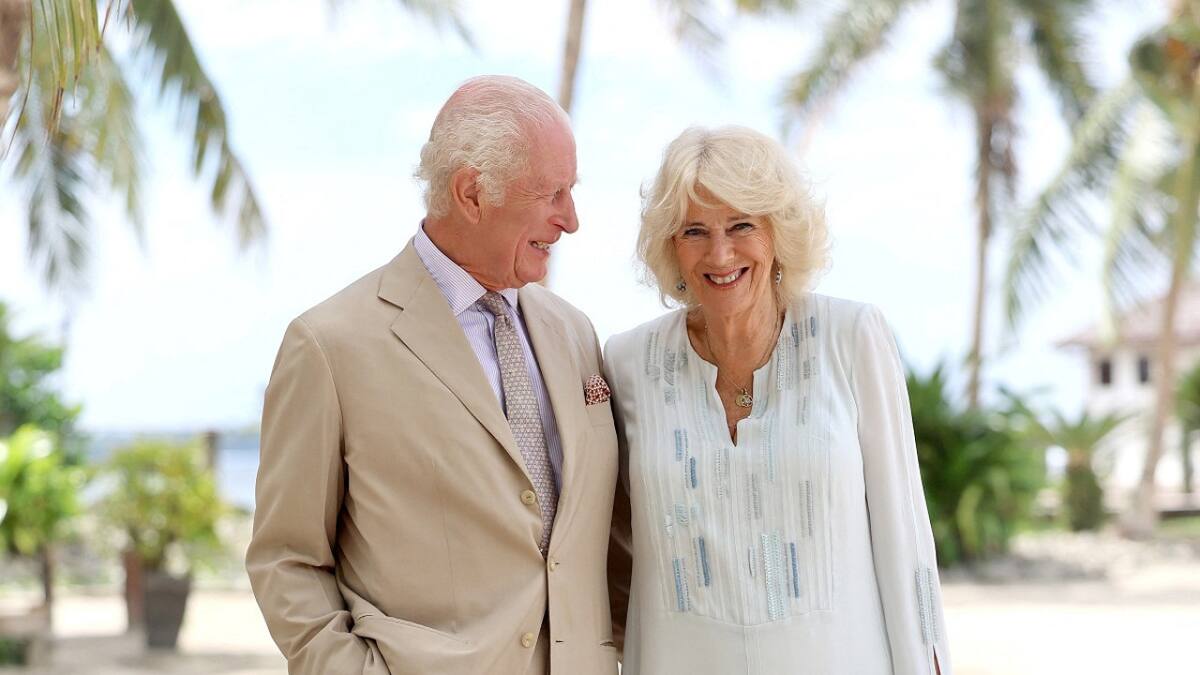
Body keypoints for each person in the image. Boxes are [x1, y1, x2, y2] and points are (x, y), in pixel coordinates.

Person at [246, 75, 622, 675]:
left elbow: (601, 537)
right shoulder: (329, 345)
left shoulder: (574, 332)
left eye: (571, 191)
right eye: (551, 193)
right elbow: (286, 559)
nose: (570, 220)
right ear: (472, 193)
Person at [604, 125, 952, 674]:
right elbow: (612, 550)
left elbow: (903, 537)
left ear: (778, 234)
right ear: (671, 245)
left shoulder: (850, 336)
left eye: (741, 225)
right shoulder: (628, 364)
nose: (720, 254)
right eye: (694, 231)